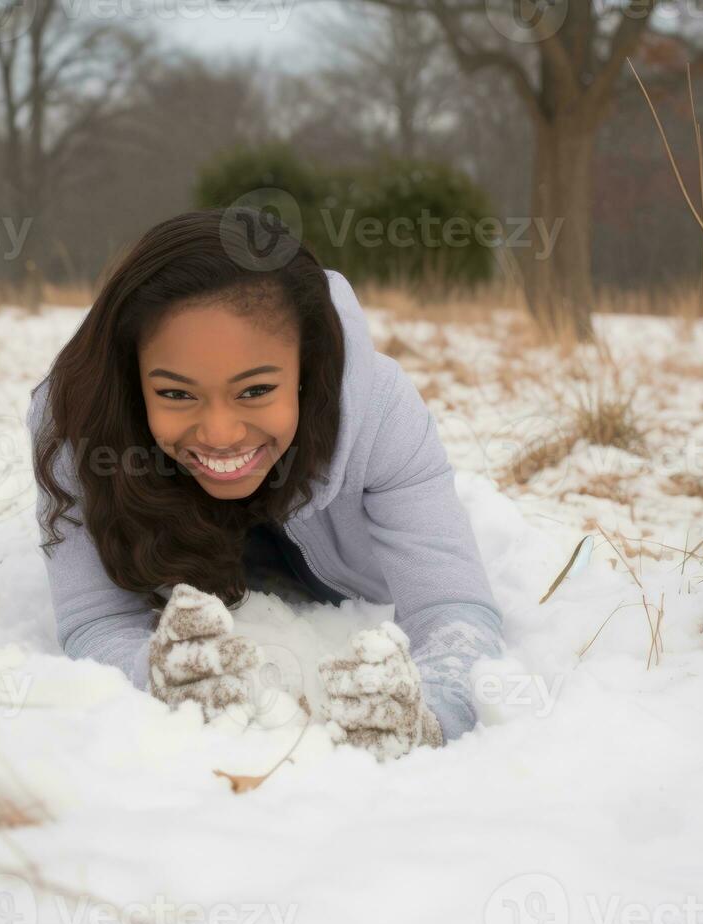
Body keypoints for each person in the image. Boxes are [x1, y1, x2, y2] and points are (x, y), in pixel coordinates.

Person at [27, 208, 502, 760]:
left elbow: (453, 609)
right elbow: (96, 619)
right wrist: (160, 675)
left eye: (254, 391)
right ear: (134, 381)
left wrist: (432, 713)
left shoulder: (381, 410)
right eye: (177, 394)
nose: (221, 433)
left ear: (307, 370)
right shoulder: (81, 419)